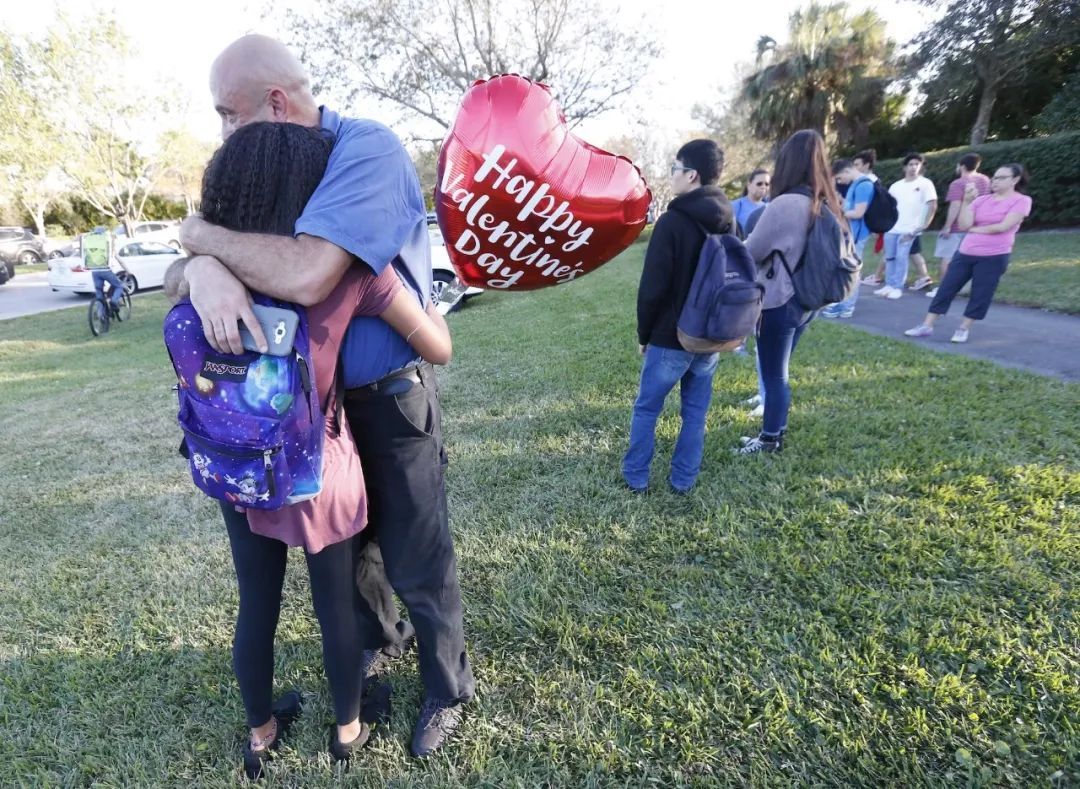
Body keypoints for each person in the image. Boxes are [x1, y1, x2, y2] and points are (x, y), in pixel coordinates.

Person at [172, 34, 474, 758]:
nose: (224, 134)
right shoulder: (275, 167)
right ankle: (375, 647)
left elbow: (307, 274)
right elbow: (225, 266)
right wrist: (200, 263)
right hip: (317, 420)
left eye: (228, 115)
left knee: (416, 553)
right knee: (354, 560)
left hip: (385, 397)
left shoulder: (363, 150)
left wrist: (201, 240)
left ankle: (445, 686)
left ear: (275, 104)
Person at [623, 139, 733, 493]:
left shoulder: (672, 221)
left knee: (646, 410)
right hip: (711, 335)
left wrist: (644, 334)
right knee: (695, 413)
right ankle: (683, 480)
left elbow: (653, 287)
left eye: (674, 169)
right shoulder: (730, 219)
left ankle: (636, 477)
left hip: (671, 336)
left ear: (692, 175)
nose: (671, 176)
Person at [738, 129, 843, 454]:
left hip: (779, 300)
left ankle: (770, 440)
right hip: (807, 301)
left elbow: (751, 251)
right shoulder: (826, 202)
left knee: (774, 375)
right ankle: (775, 431)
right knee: (779, 371)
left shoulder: (785, 204)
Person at [904, 163, 1032, 344]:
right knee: (946, 288)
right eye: (994, 177)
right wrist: (966, 201)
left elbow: (1003, 227)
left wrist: (974, 229)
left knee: (981, 293)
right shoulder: (981, 200)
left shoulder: (1022, 201)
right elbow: (963, 225)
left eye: (1001, 178)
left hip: (994, 255)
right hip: (966, 252)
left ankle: (963, 328)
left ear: (1015, 180)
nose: (995, 181)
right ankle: (927, 325)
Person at [927, 152, 991, 299]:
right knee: (969, 258)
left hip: (958, 226)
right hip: (976, 225)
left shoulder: (958, 183)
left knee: (947, 257)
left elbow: (955, 206)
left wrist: (947, 226)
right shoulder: (985, 180)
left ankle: (944, 289)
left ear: (961, 166)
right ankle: (964, 288)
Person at [874, 153, 936, 300]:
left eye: (916, 164)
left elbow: (931, 205)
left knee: (902, 257)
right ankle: (889, 284)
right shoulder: (896, 186)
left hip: (910, 228)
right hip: (892, 228)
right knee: (890, 257)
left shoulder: (925, 184)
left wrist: (922, 225)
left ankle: (897, 287)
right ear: (905, 167)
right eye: (910, 164)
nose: (913, 167)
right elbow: (888, 206)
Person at [821, 159, 873, 318]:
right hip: (850, 234)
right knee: (845, 268)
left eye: (838, 178)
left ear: (846, 171)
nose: (839, 182)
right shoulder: (855, 185)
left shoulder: (864, 185)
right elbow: (850, 207)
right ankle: (842, 303)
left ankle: (847, 306)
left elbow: (858, 213)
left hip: (857, 236)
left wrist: (837, 214)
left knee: (852, 271)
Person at [731, 168, 770, 238]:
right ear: (749, 185)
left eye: (767, 184)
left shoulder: (769, 207)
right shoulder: (737, 205)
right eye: (759, 184)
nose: (763, 187)